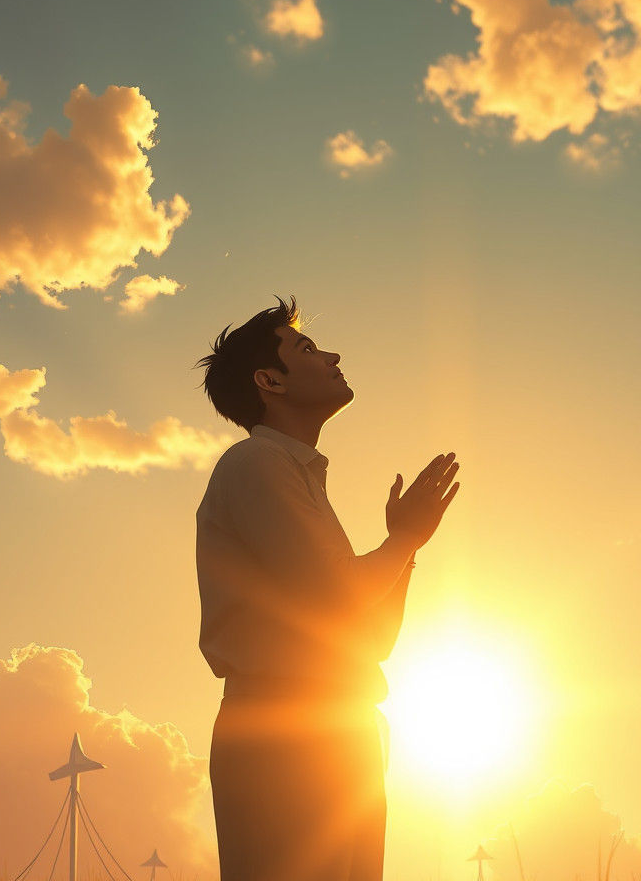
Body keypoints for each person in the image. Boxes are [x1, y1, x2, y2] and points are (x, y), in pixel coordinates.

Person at [195, 296, 459, 881]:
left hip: (341, 726)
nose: (332, 355)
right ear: (270, 380)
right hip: (285, 732)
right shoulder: (257, 463)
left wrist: (405, 545)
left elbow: (370, 641)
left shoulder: (292, 474)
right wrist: (402, 541)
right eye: (306, 349)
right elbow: (339, 595)